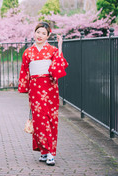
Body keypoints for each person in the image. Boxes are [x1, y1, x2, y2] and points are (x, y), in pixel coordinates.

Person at [18, 22, 68, 166]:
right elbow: (24, 71)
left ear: (48, 36)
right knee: (39, 119)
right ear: (34, 32)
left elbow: (58, 69)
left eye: (43, 33)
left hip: (50, 87)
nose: (40, 35)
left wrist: (60, 47)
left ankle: (51, 152)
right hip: (35, 88)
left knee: (50, 118)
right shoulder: (28, 52)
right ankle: (44, 150)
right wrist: (25, 88)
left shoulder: (52, 50)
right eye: (38, 32)